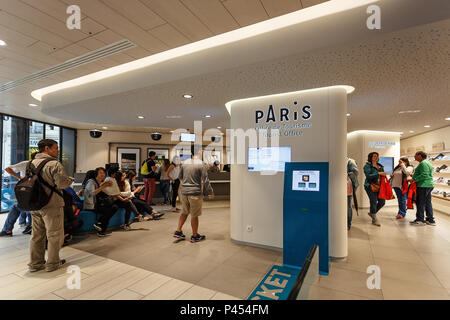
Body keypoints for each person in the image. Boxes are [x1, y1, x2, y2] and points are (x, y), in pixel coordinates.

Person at [28, 139, 74, 272]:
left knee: (37, 235)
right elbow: (62, 184)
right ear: (47, 149)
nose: (58, 150)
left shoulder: (31, 163)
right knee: (54, 235)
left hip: (35, 204)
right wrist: (70, 180)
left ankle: (35, 264)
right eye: (55, 148)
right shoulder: (54, 164)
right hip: (51, 204)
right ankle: (53, 263)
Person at [174, 144, 214, 243]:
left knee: (184, 211)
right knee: (194, 215)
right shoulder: (201, 164)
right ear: (199, 151)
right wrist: (210, 192)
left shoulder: (185, 163)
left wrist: (186, 184)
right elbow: (206, 180)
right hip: (195, 193)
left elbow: (180, 176)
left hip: (184, 192)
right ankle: (195, 236)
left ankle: (178, 231)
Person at [0, 153, 38, 237]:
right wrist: (19, 177)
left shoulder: (26, 163)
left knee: (20, 207)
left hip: (27, 191)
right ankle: (27, 225)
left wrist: (20, 178)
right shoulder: (42, 165)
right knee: (24, 207)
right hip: (35, 192)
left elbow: (7, 168)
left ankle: (8, 229)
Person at [83, 167, 116, 237]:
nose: (103, 174)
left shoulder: (102, 182)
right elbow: (92, 193)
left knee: (114, 207)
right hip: (92, 205)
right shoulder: (91, 182)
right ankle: (101, 227)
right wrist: (103, 186)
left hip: (100, 203)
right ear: (96, 174)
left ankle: (100, 226)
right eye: (100, 173)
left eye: (104, 173)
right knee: (111, 209)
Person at [410, 151, 436, 226]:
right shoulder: (427, 162)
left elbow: (425, 174)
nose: (414, 157)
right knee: (427, 202)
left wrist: (415, 179)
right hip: (428, 185)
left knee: (420, 202)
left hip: (423, 185)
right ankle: (430, 219)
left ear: (420, 156)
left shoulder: (423, 163)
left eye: (415, 155)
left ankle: (420, 219)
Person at [363, 152, 386, 227]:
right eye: (374, 156)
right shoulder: (367, 166)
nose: (376, 157)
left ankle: (372, 213)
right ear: (371, 157)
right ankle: (374, 219)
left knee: (382, 202)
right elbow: (368, 176)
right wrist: (379, 173)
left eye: (377, 156)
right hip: (370, 186)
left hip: (380, 186)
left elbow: (383, 176)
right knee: (373, 201)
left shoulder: (380, 166)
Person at [347, 157, 359, 230]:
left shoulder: (350, 161)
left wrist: (345, 173)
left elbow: (356, 172)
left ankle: (348, 224)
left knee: (348, 205)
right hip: (342, 185)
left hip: (349, 186)